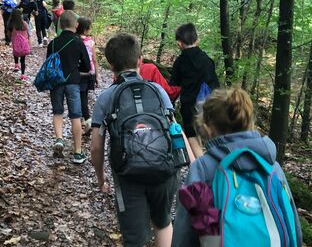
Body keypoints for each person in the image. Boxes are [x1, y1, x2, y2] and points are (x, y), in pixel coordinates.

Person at [172, 87, 302, 247]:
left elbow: (185, 228)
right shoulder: (271, 165)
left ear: (208, 128)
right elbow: (293, 224)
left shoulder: (204, 168)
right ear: (249, 123)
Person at [91, 33, 184, 247]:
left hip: (128, 175)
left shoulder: (107, 97)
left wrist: (101, 176)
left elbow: (96, 147)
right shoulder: (158, 90)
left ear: (110, 64)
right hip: (164, 170)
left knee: (134, 239)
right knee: (163, 223)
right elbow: (174, 128)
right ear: (140, 60)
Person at [170, 23, 219, 158]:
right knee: (211, 135)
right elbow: (215, 84)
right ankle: (216, 161)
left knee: (191, 135)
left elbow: (174, 84)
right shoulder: (207, 60)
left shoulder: (180, 62)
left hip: (189, 105)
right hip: (209, 105)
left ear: (179, 43)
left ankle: (200, 164)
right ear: (197, 40)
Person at [47, 10, 91, 164]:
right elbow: (86, 65)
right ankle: (78, 153)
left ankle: (59, 139)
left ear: (60, 24)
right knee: (75, 115)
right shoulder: (78, 42)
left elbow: (49, 63)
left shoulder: (53, 43)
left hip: (56, 82)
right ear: (77, 24)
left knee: (57, 111)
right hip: (73, 82)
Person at [75, 17, 99, 131]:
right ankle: (86, 120)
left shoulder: (73, 40)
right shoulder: (90, 42)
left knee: (80, 97)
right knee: (83, 96)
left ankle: (84, 120)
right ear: (85, 30)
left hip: (77, 72)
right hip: (89, 72)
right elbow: (94, 59)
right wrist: (97, 75)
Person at [8, 9, 31, 81]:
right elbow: (29, 34)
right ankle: (23, 75)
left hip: (15, 43)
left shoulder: (11, 24)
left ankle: (16, 65)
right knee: (23, 60)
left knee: (16, 52)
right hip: (24, 44)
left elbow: (8, 34)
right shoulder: (24, 24)